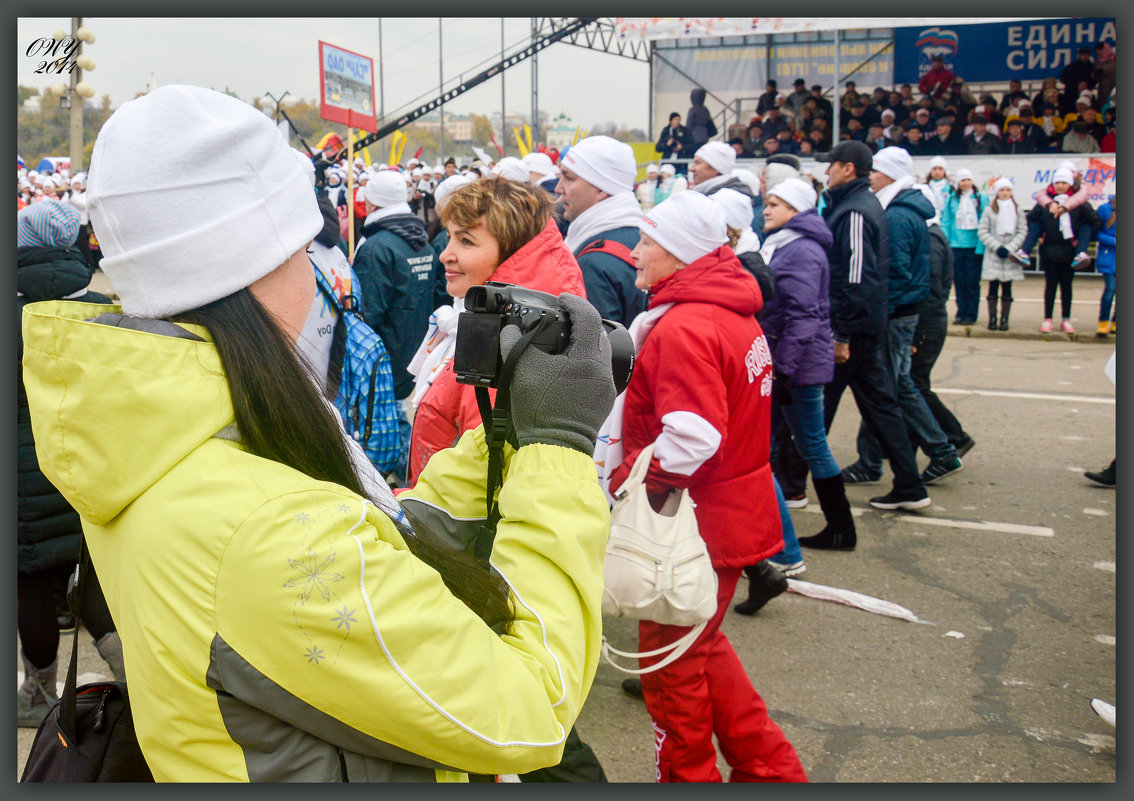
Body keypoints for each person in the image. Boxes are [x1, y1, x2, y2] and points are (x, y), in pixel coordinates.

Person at [21, 84, 617, 782]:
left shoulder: (154, 431)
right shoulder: (270, 528)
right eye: (304, 248)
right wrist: (557, 451)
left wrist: (507, 429)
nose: (317, 272)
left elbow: (377, 534)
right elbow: (530, 706)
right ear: (254, 265)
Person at [606, 191, 807, 783]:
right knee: (700, 647)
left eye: (646, 242)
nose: (634, 253)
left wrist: (627, 478)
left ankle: (693, 778)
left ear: (681, 253)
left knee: (669, 667)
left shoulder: (685, 326)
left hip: (695, 523)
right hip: (729, 511)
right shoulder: (727, 312)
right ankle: (769, 769)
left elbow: (693, 438)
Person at [17, 201, 124, 728]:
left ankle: (39, 691)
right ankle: (135, 676)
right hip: (91, 469)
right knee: (96, 578)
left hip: (22, 480)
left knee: (31, 584)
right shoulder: (105, 307)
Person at [406, 177, 587, 485]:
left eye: (466, 241)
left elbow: (483, 478)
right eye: (450, 237)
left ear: (511, 251)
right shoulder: (498, 321)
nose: (445, 254)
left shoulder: (514, 345)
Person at [810, 141, 931, 515]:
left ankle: (792, 482)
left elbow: (857, 279)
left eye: (830, 164)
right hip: (859, 328)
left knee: (816, 409)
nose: (825, 171)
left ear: (848, 168)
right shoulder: (856, 204)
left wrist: (842, 334)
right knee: (878, 407)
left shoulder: (856, 211)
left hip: (853, 332)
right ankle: (909, 484)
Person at [845, 147, 962, 488]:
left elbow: (895, 274)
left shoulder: (897, 215)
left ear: (892, 176)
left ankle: (941, 450)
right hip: (899, 313)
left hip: (895, 315)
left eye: (875, 172)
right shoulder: (900, 209)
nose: (869, 178)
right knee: (881, 386)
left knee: (893, 386)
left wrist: (879, 315)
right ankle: (871, 460)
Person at [755, 178, 857, 561]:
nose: (766, 210)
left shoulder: (801, 250)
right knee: (809, 442)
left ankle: (841, 528)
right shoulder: (786, 244)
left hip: (799, 365)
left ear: (796, 211)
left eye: (776, 205)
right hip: (795, 361)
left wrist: (782, 369)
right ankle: (839, 527)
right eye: (767, 203)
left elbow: (803, 315)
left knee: (813, 443)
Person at [353, 169, 449, 481]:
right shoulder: (422, 241)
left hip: (386, 355)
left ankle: (410, 482)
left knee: (393, 424)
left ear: (370, 205)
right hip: (418, 348)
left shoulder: (375, 247)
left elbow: (369, 312)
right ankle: (418, 477)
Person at [910, 187, 976, 459]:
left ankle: (954, 436)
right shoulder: (930, 233)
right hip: (929, 322)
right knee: (912, 384)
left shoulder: (931, 238)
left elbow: (931, 292)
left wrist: (918, 335)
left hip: (928, 324)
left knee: (914, 385)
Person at [558, 135, 647, 328]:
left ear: (602, 190)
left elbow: (598, 352)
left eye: (569, 179)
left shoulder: (593, 263)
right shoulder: (640, 236)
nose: (559, 188)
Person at [1026, 167, 1101, 333]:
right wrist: (1039, 235)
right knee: (1050, 285)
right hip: (1049, 251)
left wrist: (1083, 240)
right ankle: (1048, 319)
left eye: (1064, 182)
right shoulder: (1045, 202)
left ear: (1070, 184)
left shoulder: (1079, 203)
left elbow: (1095, 222)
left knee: (1066, 286)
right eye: (1057, 182)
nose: (1060, 186)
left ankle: (1066, 318)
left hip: (1069, 253)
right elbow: (1031, 219)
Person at [977, 178, 1028, 332]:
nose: (1005, 193)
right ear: (997, 192)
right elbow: (983, 231)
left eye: (1007, 190)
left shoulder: (1018, 210)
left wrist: (1010, 248)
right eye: (1002, 190)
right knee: (992, 287)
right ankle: (992, 318)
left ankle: (1004, 319)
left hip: (1010, 256)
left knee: (1007, 287)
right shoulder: (989, 210)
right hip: (994, 254)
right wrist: (997, 247)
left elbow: (1022, 231)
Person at [941, 168, 986, 326]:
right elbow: (946, 222)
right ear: (958, 183)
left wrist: (980, 248)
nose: (966, 183)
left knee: (972, 282)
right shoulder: (952, 199)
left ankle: (971, 314)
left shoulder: (981, 198)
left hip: (973, 246)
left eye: (969, 180)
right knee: (959, 281)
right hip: (956, 246)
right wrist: (946, 244)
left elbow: (984, 223)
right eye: (963, 180)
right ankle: (961, 312)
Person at [1094, 193, 1116, 336]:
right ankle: (1103, 322)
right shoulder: (1105, 209)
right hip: (1109, 256)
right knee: (1110, 289)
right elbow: (1096, 232)